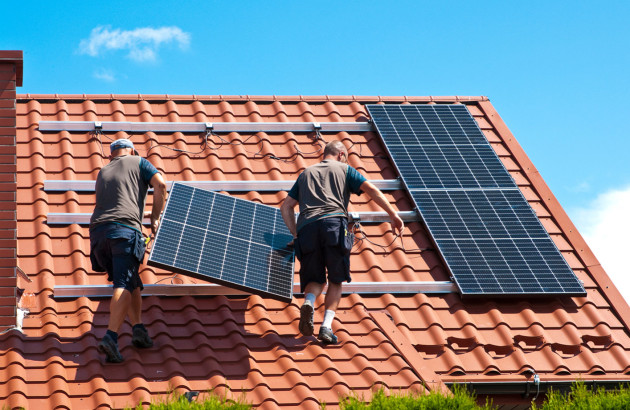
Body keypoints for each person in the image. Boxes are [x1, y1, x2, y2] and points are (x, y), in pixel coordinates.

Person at [281, 141, 404, 344]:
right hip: (334, 226)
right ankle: (326, 327)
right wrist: (392, 214)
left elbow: (286, 207)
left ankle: (309, 303)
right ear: (340, 155)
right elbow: (371, 190)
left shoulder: (305, 174)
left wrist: (295, 235)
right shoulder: (345, 169)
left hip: (307, 229)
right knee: (336, 279)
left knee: (315, 279)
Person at [90, 138, 167, 363]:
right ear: (132, 151)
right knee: (123, 283)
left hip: (98, 235)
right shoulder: (140, 162)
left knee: (131, 279)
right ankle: (111, 337)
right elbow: (161, 185)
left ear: (111, 155)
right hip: (124, 231)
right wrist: (154, 218)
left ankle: (139, 329)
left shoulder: (103, 170)